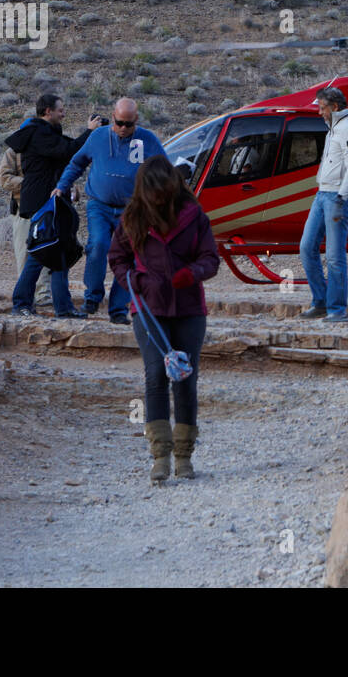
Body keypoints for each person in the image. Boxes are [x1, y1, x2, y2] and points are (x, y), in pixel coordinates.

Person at [108, 156, 219, 483]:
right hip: (147, 309)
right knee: (156, 375)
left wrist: (192, 273)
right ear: (145, 190)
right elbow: (117, 259)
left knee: (185, 378)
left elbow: (210, 259)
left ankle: (184, 457)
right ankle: (160, 456)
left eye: (163, 192)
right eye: (153, 193)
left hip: (189, 309)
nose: (158, 198)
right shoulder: (131, 218)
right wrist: (135, 281)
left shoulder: (195, 215)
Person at [53, 97, 166, 324]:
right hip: (99, 204)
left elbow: (163, 169)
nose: (123, 128)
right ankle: (92, 298)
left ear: (136, 121)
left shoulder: (147, 139)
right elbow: (77, 163)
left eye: (128, 124)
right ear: (112, 116)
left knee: (131, 256)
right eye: (119, 122)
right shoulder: (99, 136)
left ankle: (118, 309)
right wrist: (61, 186)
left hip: (132, 209)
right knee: (98, 246)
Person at [7, 94, 99, 317]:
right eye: (61, 109)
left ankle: (62, 308)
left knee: (58, 253)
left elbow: (68, 151)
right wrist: (89, 131)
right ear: (48, 111)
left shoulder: (47, 133)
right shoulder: (39, 133)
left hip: (50, 200)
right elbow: (69, 151)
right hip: (42, 201)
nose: (64, 113)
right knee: (42, 253)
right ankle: (21, 303)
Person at [298, 86, 348, 323]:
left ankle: (337, 309)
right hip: (322, 194)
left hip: (337, 197)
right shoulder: (333, 128)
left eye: (322, 108)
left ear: (335, 107)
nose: (319, 112)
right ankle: (321, 302)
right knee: (307, 247)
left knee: (335, 256)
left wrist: (342, 196)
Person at [0, 140, 51, 309]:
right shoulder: (14, 152)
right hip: (22, 207)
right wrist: (31, 183)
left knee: (46, 250)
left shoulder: (49, 148)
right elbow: (4, 178)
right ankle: (26, 296)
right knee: (24, 253)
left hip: (46, 207)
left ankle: (43, 295)